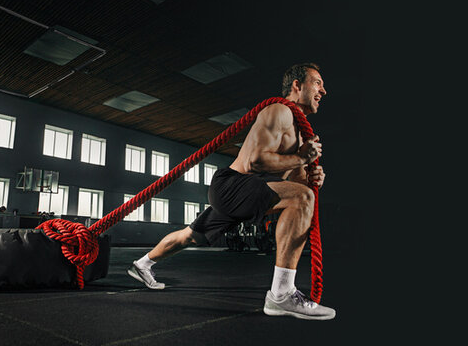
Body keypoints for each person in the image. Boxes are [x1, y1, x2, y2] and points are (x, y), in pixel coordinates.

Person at [127, 63, 335, 320]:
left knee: (191, 237)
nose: (323, 91)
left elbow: (297, 183)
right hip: (233, 185)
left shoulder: (302, 137)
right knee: (303, 199)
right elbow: (256, 161)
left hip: (251, 193)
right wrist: (302, 161)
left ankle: (142, 265)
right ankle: (281, 294)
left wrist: (315, 178)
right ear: (297, 85)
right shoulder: (280, 111)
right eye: (317, 83)